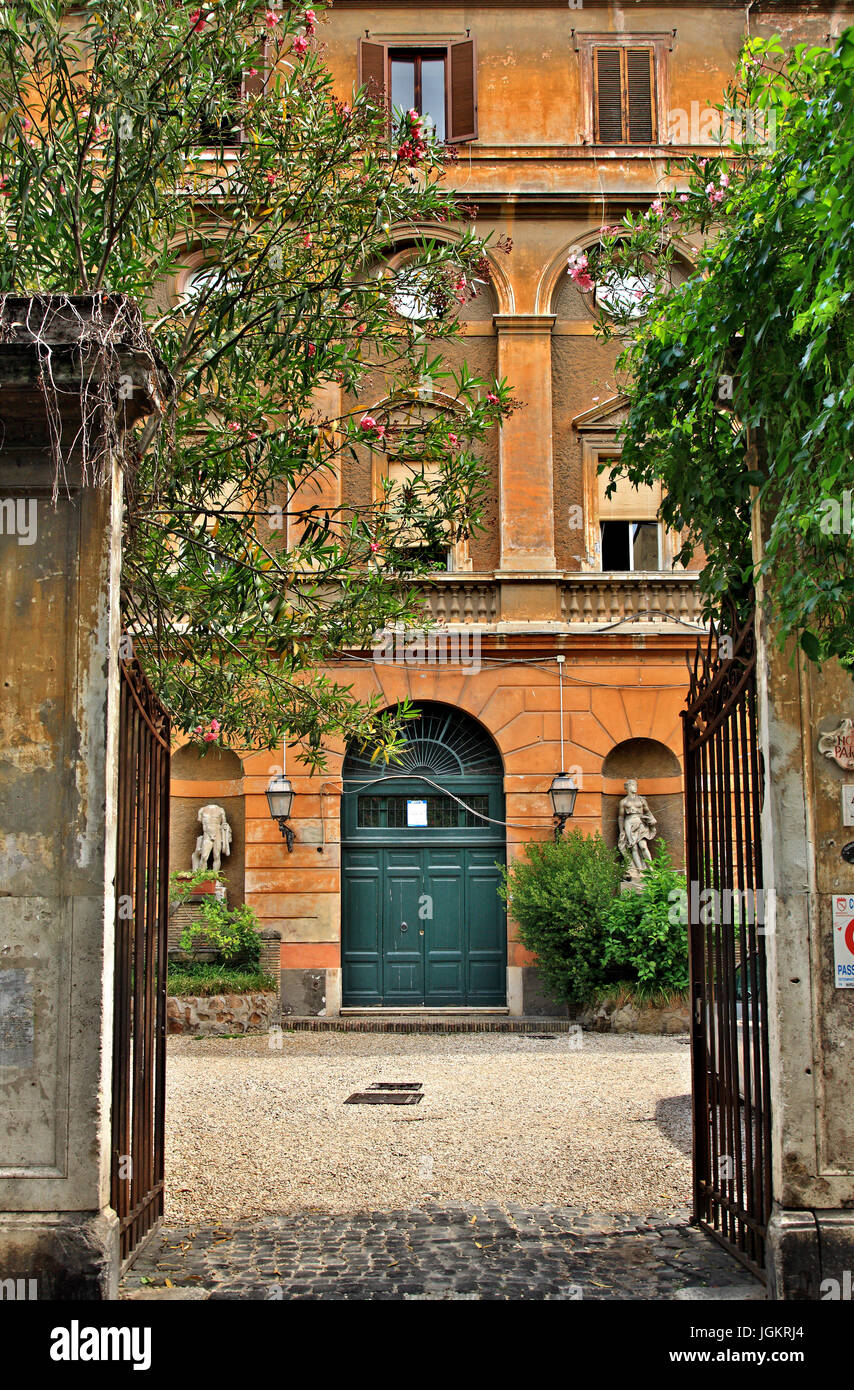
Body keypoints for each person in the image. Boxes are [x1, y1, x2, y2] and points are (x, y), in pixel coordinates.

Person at [617, 778, 657, 878]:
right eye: (632, 785)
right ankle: (639, 871)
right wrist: (622, 830)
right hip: (629, 824)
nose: (635, 787)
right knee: (633, 847)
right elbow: (621, 817)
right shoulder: (623, 802)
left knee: (643, 846)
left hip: (640, 823)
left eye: (635, 785)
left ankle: (651, 868)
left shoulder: (641, 800)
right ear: (627, 788)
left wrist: (652, 820)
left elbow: (647, 812)